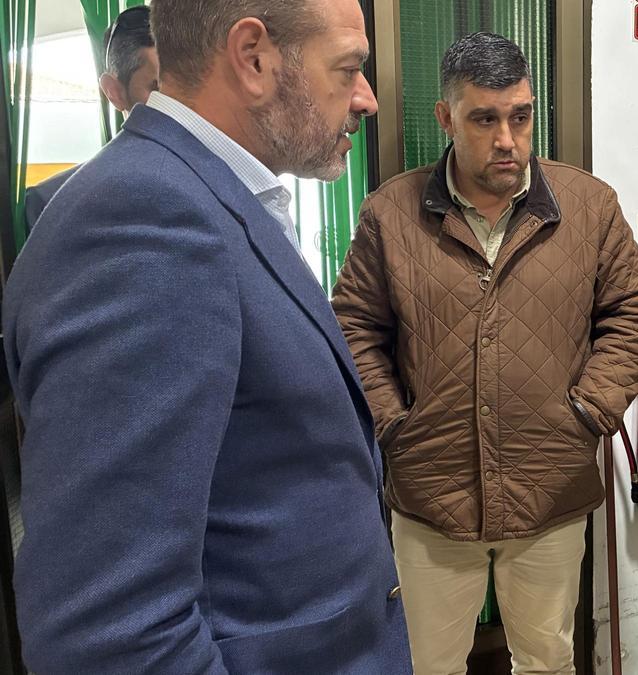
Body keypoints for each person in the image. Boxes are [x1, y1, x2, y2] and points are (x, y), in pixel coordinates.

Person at [3, 0, 411, 672]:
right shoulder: (144, 224)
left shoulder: (209, 197)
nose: (366, 98)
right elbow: (111, 634)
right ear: (253, 59)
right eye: (348, 69)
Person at [332, 31, 638, 674]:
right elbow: (354, 329)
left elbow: (634, 312)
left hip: (550, 489)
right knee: (427, 665)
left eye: (520, 115)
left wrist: (588, 412)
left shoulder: (589, 207)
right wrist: (396, 426)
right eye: (485, 119)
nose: (507, 139)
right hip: (431, 495)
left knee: (547, 661)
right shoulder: (389, 215)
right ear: (447, 119)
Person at [24, 5, 159, 228]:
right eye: (158, 90)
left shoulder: (221, 182)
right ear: (115, 93)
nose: (179, 107)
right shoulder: (52, 205)